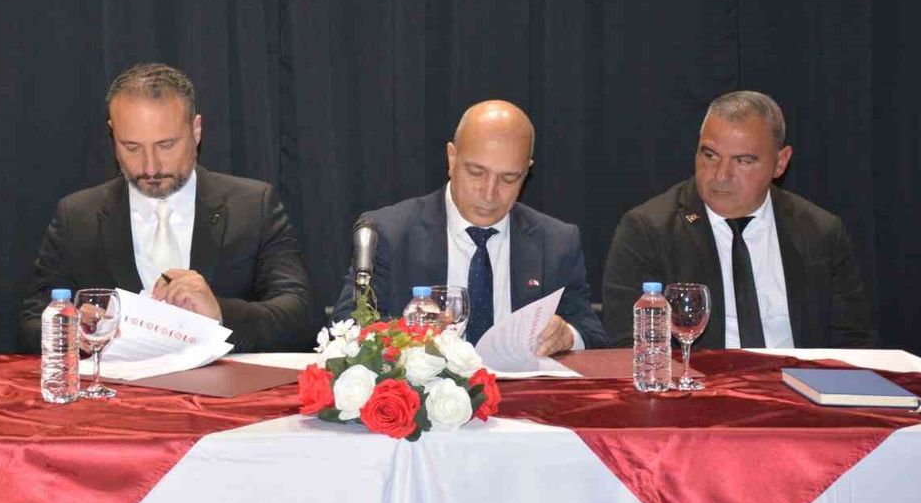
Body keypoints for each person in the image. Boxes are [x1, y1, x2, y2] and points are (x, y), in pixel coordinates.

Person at [19, 62, 318, 353]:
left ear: (196, 130)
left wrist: (218, 313)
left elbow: (299, 318)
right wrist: (70, 329)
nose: (150, 167)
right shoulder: (77, 217)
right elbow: (31, 323)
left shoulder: (253, 207)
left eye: (166, 145)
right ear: (112, 134)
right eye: (132, 147)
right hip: (117, 386)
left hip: (222, 386)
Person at [602, 90, 875, 348]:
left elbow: (853, 342)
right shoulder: (649, 230)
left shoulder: (819, 232)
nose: (721, 175)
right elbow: (631, 346)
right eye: (710, 155)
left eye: (743, 161)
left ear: (780, 163)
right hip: (697, 381)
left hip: (797, 378)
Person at [332, 100, 608, 355]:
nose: (489, 193)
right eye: (476, 173)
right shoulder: (390, 234)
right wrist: (412, 335)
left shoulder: (556, 242)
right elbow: (349, 324)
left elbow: (591, 332)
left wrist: (567, 335)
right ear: (452, 158)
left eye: (508, 179)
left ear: (527, 171)